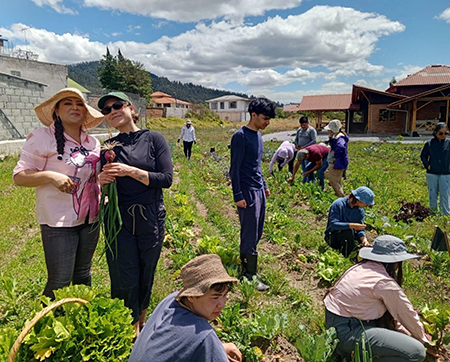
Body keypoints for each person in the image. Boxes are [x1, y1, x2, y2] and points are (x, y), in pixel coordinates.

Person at [13, 88, 104, 299]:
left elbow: (95, 176)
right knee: (60, 279)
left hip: (90, 218)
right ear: (56, 110)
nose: (74, 107)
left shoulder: (93, 143)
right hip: (58, 221)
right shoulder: (41, 138)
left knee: (83, 274)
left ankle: (79, 319)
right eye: (67, 103)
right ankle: (48, 324)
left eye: (79, 103)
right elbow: (19, 176)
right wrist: (51, 177)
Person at [97, 91, 173, 336]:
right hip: (118, 219)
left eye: (117, 105)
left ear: (130, 107)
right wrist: (101, 180)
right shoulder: (108, 148)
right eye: (107, 110)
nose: (112, 111)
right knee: (123, 272)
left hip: (150, 216)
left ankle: (141, 319)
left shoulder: (154, 139)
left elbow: (166, 179)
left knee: (146, 268)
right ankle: (129, 329)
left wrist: (130, 171)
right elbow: (104, 187)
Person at [324, 235, 429, 362]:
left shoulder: (361, 268)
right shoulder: (383, 282)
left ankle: (352, 354)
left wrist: (408, 334)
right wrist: (423, 339)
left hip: (335, 327)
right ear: (395, 262)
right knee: (417, 352)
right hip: (349, 332)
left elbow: (396, 317)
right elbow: (405, 313)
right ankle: (356, 357)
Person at [129, 254, 242, 362]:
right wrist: (213, 348)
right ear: (191, 296)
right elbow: (199, 339)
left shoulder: (171, 299)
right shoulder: (204, 334)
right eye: (215, 297)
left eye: (225, 295)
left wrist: (218, 347)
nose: (222, 304)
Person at [230, 97, 276, 292]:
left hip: (258, 190)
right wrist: (238, 195)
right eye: (265, 118)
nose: (267, 122)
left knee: (257, 231)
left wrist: (264, 184)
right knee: (249, 233)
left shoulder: (257, 136)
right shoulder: (240, 136)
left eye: (269, 119)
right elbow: (235, 168)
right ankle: (249, 275)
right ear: (254, 115)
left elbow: (256, 166)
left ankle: (247, 263)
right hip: (247, 192)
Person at [325, 186, 374, 257]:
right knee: (348, 231)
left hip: (349, 238)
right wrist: (351, 225)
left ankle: (357, 252)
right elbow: (333, 225)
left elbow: (359, 229)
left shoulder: (360, 211)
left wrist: (364, 240)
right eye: (366, 203)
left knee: (351, 233)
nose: (367, 205)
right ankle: (349, 255)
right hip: (333, 236)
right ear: (359, 200)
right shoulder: (338, 204)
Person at [420, 122, 450, 215]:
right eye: (441, 133)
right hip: (432, 173)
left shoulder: (449, 143)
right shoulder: (429, 143)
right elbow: (423, 156)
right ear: (435, 133)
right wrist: (427, 165)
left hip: (446, 173)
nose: (443, 135)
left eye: (446, 133)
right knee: (432, 194)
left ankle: (445, 214)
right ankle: (433, 213)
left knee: (445, 195)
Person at [325, 119, 349, 197]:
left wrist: (335, 155)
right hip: (338, 162)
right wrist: (330, 138)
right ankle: (341, 197)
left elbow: (340, 147)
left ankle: (342, 198)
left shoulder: (340, 138)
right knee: (338, 181)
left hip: (336, 162)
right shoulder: (337, 136)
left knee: (333, 182)